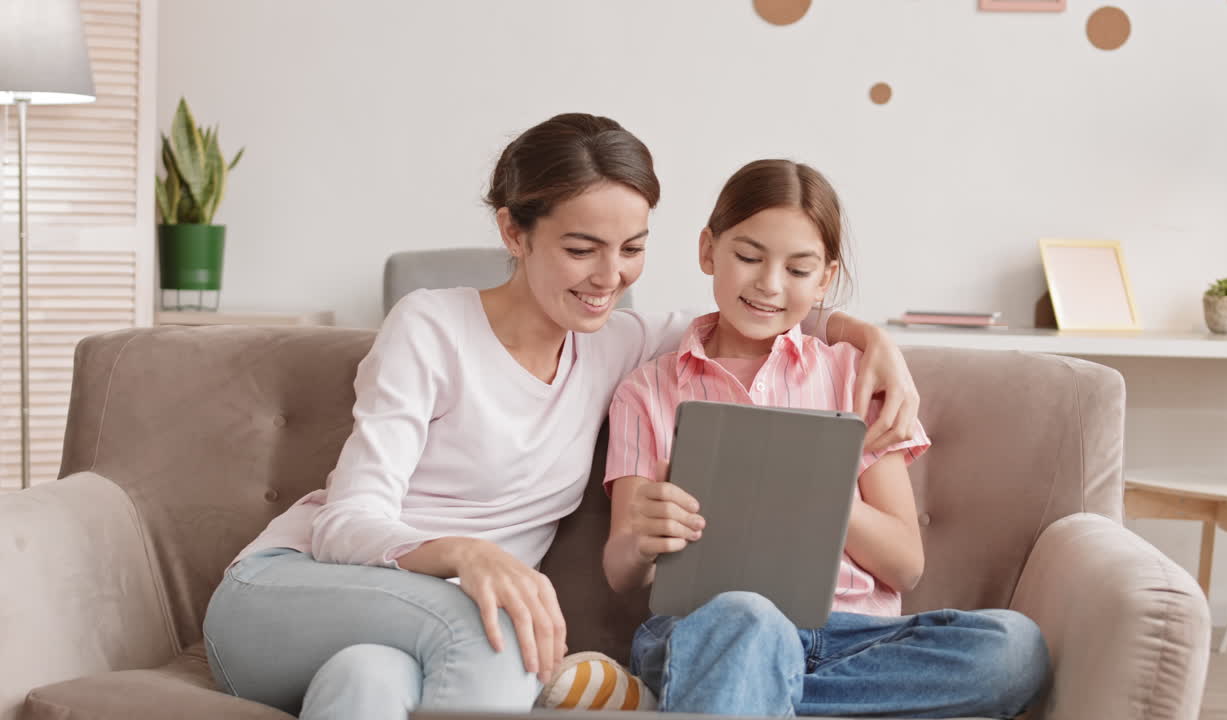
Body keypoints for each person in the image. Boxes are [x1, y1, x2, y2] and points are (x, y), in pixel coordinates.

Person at [201, 115, 923, 720]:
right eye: (582, 249)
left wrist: (869, 339)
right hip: (291, 590)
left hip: (401, 637)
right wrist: (467, 552)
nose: (610, 277)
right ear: (514, 232)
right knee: (504, 634)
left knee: (367, 683)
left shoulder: (618, 343)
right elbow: (344, 523)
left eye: (632, 250)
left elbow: (763, 313)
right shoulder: (430, 325)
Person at [599, 159, 1050, 718]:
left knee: (1014, 651)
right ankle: (743, 685)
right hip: (712, 628)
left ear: (825, 279)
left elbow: (905, 565)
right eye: (748, 257)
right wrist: (643, 539)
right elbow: (622, 572)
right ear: (708, 250)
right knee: (748, 617)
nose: (769, 284)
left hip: (850, 641)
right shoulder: (649, 390)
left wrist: (817, 489)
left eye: (798, 269)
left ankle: (749, 696)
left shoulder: (852, 375)